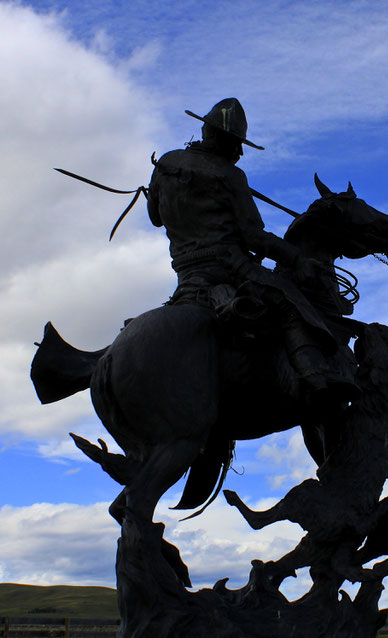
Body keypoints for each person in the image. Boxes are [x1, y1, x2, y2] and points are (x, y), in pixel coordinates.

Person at [146, 98, 356, 415]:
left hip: (186, 273)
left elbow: (155, 217)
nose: (240, 153)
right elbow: (254, 238)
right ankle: (317, 380)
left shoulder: (166, 164)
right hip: (228, 267)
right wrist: (296, 259)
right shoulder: (231, 176)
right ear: (222, 139)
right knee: (290, 301)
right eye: (237, 144)